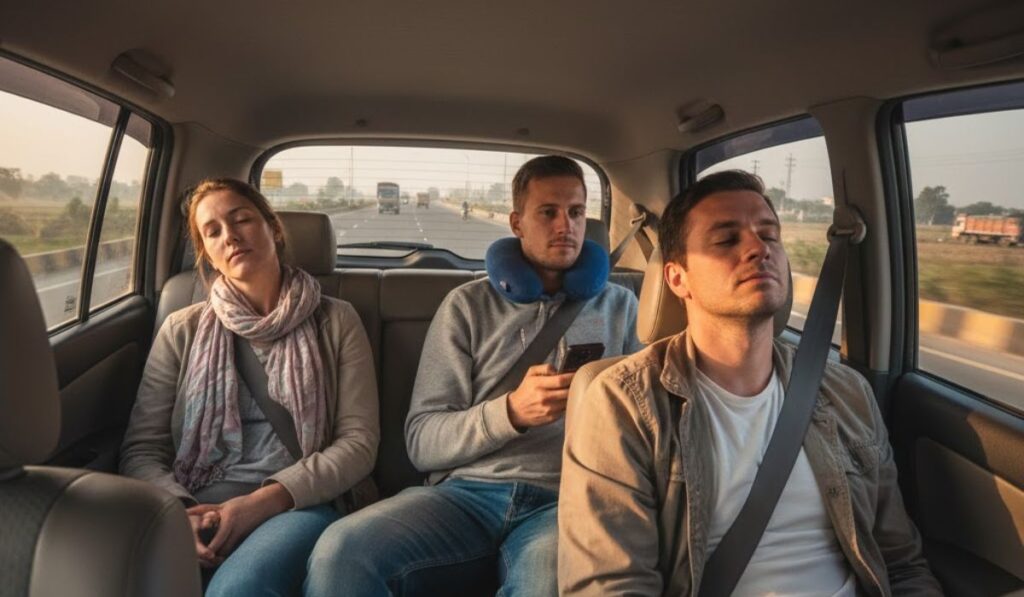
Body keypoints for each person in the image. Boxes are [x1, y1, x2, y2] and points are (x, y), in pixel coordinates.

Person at [558, 170, 942, 596]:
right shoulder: (624, 403)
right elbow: (612, 586)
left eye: (770, 236)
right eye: (726, 240)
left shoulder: (847, 393)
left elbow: (902, 564)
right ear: (677, 278)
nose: (759, 249)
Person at [306, 156, 643, 596]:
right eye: (548, 212)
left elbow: (642, 422)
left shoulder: (620, 307)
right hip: (463, 496)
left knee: (548, 584)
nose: (566, 225)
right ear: (517, 222)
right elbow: (423, 441)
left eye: (577, 212)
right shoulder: (467, 306)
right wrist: (512, 412)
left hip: (566, 500)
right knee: (341, 550)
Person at [120, 178, 379, 597]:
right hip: (195, 502)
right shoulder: (181, 329)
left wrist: (264, 502)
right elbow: (142, 449)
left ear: (273, 228)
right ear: (206, 252)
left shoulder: (335, 320)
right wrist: (179, 511)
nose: (231, 236)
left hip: (297, 502)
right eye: (213, 231)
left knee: (236, 590)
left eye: (242, 219)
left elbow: (358, 443)